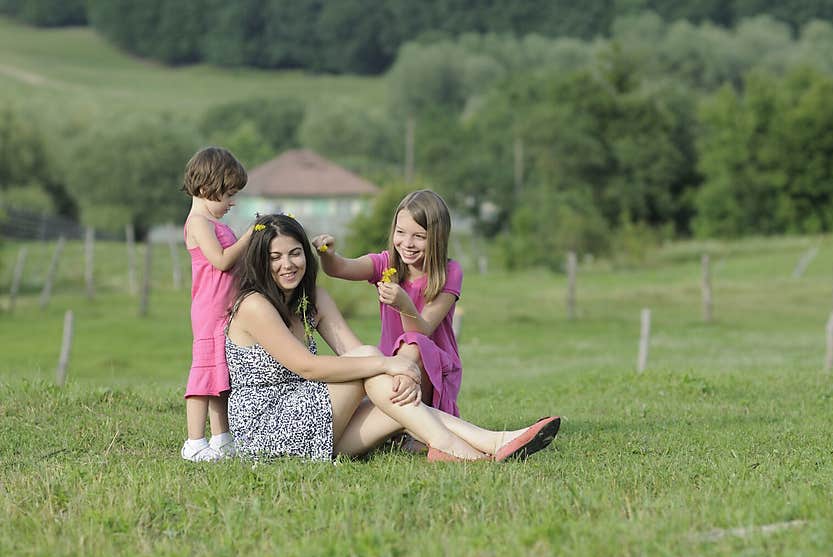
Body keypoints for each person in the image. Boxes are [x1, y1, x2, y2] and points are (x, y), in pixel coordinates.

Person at [225, 213, 560, 463]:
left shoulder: (314, 299)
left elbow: (352, 352)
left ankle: (495, 441)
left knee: (394, 400)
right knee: (372, 361)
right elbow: (309, 368)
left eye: (295, 253)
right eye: (275, 257)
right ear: (259, 261)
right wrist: (390, 363)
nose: (288, 264)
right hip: (267, 429)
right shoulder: (254, 305)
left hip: (317, 428)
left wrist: (392, 373)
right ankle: (455, 448)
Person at [312, 189, 463, 453]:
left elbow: (423, 331)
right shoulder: (386, 264)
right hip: (393, 370)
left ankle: (409, 428)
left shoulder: (449, 273)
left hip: (433, 370)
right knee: (400, 358)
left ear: (437, 239)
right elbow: (340, 268)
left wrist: (404, 304)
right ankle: (405, 429)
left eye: (419, 236)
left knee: (414, 344)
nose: (407, 243)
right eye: (401, 232)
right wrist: (327, 255)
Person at [179, 146, 253, 462]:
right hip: (210, 310)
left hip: (227, 309)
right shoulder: (198, 223)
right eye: (228, 194)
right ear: (208, 187)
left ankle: (222, 439)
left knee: (221, 378)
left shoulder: (215, 222)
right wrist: (250, 235)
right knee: (204, 377)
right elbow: (221, 261)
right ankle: (194, 443)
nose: (231, 202)